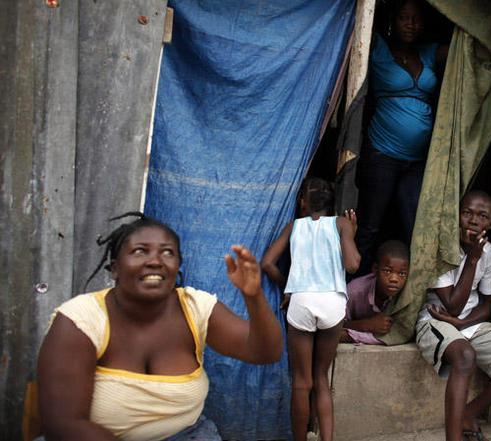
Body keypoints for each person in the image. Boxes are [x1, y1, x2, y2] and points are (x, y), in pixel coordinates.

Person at [36, 212, 284, 441]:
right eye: (140, 251)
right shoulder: (80, 319)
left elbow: (265, 352)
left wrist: (253, 296)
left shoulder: (195, 307)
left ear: (177, 267)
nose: (155, 261)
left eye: (167, 253)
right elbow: (63, 425)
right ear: (115, 269)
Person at [415, 190, 491, 441]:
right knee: (465, 356)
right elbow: (451, 306)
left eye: (482, 216)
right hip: (436, 319)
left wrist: (464, 322)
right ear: (456, 216)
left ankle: (469, 412)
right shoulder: (442, 248)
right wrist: (471, 259)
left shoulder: (488, 251)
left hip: (468, 321)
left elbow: (487, 302)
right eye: (467, 213)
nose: (473, 221)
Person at [261, 177, 360, 441]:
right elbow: (352, 265)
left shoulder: (294, 226)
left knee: (301, 383)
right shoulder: (340, 223)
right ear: (331, 203)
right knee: (321, 380)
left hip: (301, 301)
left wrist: (288, 287)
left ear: (302, 202)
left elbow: (268, 263)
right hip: (332, 302)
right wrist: (351, 231)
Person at [354, 0, 448, 274]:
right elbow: (358, 23)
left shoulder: (429, 53)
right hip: (382, 154)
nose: (411, 24)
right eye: (404, 17)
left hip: (417, 161)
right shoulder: (380, 49)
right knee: (371, 225)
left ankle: (408, 292)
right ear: (393, 21)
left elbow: (466, 47)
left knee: (415, 224)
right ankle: (356, 290)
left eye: (417, 19)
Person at [341, 240, 409, 344]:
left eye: (402, 273)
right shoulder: (354, 291)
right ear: (375, 269)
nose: (394, 279)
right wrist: (367, 325)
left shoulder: (408, 293)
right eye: (387, 271)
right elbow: (334, 327)